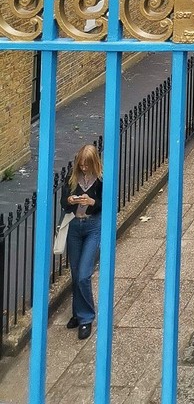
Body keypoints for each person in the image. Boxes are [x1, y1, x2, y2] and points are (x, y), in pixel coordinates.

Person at [60, 143, 104, 341]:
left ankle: (86, 318)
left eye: (87, 165)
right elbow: (63, 201)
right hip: (74, 227)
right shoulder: (72, 178)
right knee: (76, 272)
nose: (84, 168)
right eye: (81, 164)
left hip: (92, 226)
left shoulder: (100, 180)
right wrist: (70, 200)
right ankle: (78, 314)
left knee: (84, 274)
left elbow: (105, 203)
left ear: (94, 163)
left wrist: (92, 202)